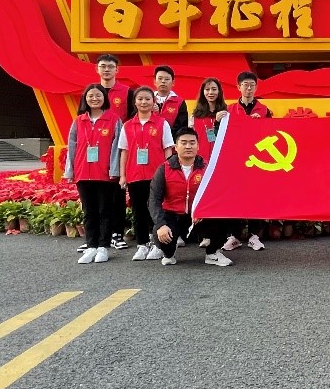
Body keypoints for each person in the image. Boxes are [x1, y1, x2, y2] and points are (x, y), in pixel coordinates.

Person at [148, 128, 232, 268]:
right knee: (161, 233)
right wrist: (161, 224)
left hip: (199, 217)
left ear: (198, 146)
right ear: (176, 147)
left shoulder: (207, 167)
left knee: (224, 215)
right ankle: (169, 253)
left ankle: (212, 253)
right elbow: (154, 200)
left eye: (192, 143)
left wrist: (203, 211)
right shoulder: (164, 169)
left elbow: (216, 195)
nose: (188, 146)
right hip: (173, 216)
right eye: (184, 143)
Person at [62, 84, 122, 264]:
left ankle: (103, 247)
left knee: (105, 210)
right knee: (89, 211)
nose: (94, 99)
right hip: (83, 173)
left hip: (105, 173)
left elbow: (117, 147)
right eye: (91, 96)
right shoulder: (79, 121)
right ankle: (91, 246)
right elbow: (72, 146)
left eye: (98, 95)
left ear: (104, 98)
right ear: (85, 99)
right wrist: (70, 170)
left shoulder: (114, 119)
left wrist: (115, 170)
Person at [118, 87, 175, 261]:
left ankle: (157, 244)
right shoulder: (127, 125)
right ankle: (142, 245)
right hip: (134, 174)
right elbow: (124, 151)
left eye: (147, 99)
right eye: (140, 99)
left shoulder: (162, 123)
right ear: (135, 102)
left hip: (156, 175)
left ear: (154, 102)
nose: (144, 102)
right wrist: (123, 175)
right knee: (138, 211)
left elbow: (168, 149)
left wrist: (168, 172)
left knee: (155, 210)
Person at [222, 70, 271, 251]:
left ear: (256, 87)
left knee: (256, 196)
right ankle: (234, 236)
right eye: (245, 85)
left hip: (257, 160)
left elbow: (271, 134)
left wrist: (260, 125)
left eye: (252, 85)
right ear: (239, 87)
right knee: (234, 196)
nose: (249, 88)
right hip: (236, 160)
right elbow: (224, 135)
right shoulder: (229, 110)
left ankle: (254, 236)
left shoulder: (264, 110)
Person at [96, 54, 135, 251]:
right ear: (97, 69)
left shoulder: (127, 92)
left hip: (119, 150)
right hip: (97, 151)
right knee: (97, 194)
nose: (106, 70)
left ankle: (117, 234)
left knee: (117, 193)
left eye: (110, 66)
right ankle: (98, 235)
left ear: (117, 70)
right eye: (103, 66)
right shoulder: (92, 92)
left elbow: (134, 119)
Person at [190, 77, 229, 164]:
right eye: (207, 89)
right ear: (203, 92)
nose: (210, 92)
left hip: (221, 158)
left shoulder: (226, 113)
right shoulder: (195, 116)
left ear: (219, 91)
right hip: (200, 160)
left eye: (214, 89)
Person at [152, 65, 189, 135]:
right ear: (154, 81)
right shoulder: (147, 100)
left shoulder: (179, 102)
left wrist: (165, 136)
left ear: (173, 82)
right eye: (160, 78)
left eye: (167, 79)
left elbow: (182, 128)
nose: (163, 81)